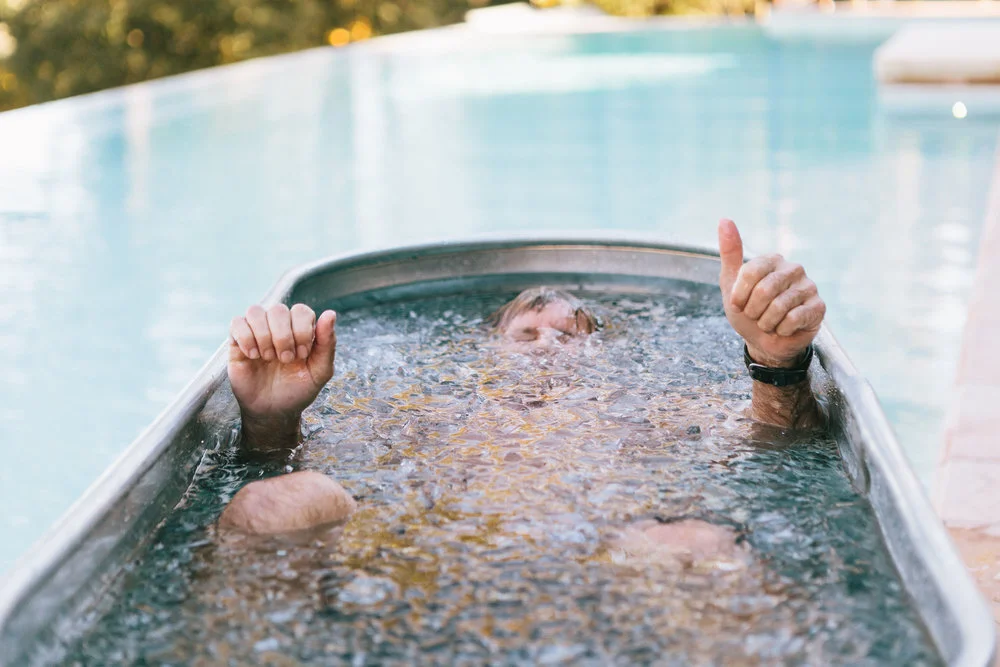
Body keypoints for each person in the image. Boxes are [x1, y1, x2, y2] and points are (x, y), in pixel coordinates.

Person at [219, 220, 827, 551]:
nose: (548, 348)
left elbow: (774, 443)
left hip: (613, 550)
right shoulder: (422, 411)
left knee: (696, 547)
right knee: (271, 506)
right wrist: (271, 421)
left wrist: (775, 362)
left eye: (570, 336)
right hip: (425, 551)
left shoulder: (654, 408)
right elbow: (311, 460)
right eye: (528, 336)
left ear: (605, 356)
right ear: (485, 353)